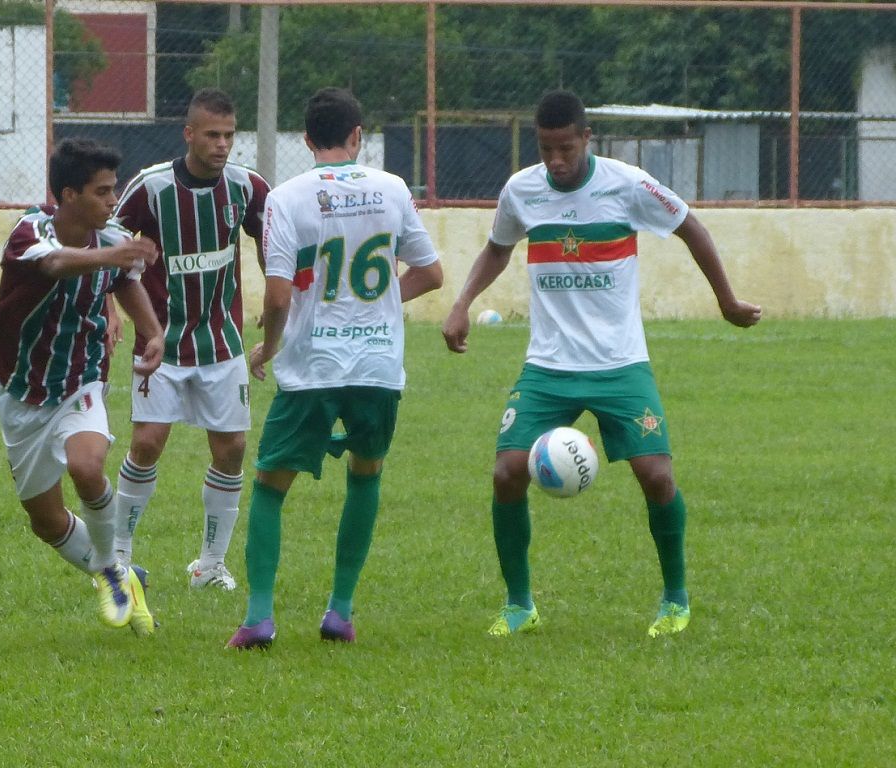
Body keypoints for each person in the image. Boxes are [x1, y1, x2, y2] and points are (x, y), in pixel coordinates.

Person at [441, 89, 762, 639]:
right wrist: (461, 303)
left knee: (656, 476)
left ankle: (675, 600)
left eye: (565, 148)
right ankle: (519, 605)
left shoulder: (627, 184)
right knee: (506, 472)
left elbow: (690, 226)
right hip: (548, 367)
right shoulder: (521, 190)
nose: (555, 160)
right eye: (546, 149)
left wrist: (726, 300)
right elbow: (498, 248)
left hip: (620, 363)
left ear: (586, 138)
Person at [227, 87, 444, 649]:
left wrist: (267, 348)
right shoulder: (393, 187)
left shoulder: (286, 198)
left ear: (306, 140)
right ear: (357, 136)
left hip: (312, 366)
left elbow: (278, 297)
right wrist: (382, 303)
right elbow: (431, 273)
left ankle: (259, 618)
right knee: (366, 474)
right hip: (377, 365)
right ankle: (340, 612)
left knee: (271, 485)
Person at [0, 138, 165, 636]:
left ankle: (109, 568)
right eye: (102, 191)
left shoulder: (110, 238)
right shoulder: (30, 231)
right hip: (22, 389)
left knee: (87, 466)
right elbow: (55, 265)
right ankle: (125, 578)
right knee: (45, 522)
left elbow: (125, 281)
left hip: (81, 378)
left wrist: (152, 331)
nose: (113, 200)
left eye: (114, 189)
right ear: (68, 194)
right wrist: (114, 253)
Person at [111, 88, 270, 591]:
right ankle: (118, 557)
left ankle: (209, 565)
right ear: (189, 134)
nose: (222, 145)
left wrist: (277, 292)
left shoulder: (247, 186)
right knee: (147, 442)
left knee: (232, 448)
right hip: (161, 342)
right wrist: (111, 310)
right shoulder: (150, 187)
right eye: (212, 135)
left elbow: (272, 240)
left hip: (222, 343)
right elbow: (107, 243)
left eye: (229, 135)